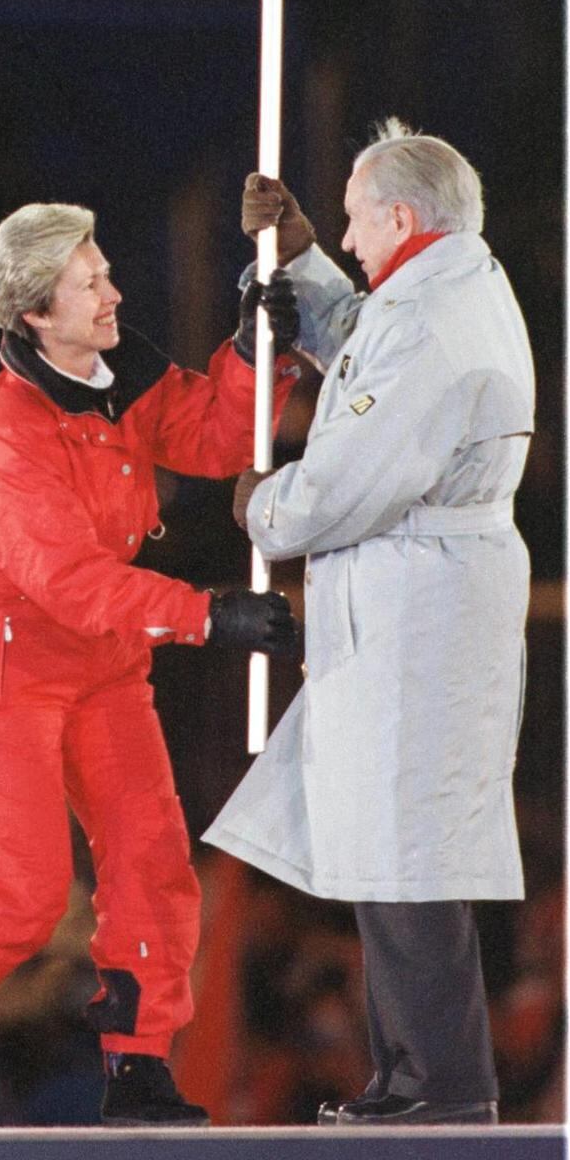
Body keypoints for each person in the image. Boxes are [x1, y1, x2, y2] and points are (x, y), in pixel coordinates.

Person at [0, 202, 301, 1129]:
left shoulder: (116, 375)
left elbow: (213, 438)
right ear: (36, 315)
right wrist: (208, 615)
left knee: (151, 860)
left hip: (106, 655)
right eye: (89, 283)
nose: (113, 293)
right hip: (13, 655)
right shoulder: (13, 432)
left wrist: (257, 353)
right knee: (24, 891)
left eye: (105, 271)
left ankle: (139, 1063)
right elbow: (71, 581)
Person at [204, 118, 534, 1127]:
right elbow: (368, 354)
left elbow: (350, 472)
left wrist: (262, 505)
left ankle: (441, 1087)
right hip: (416, 599)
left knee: (411, 852)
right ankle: (412, 1076)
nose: (347, 239)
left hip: (420, 605)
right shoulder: (447, 290)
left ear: (399, 216)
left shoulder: (433, 324)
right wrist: (301, 261)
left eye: (350, 222)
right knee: (394, 848)